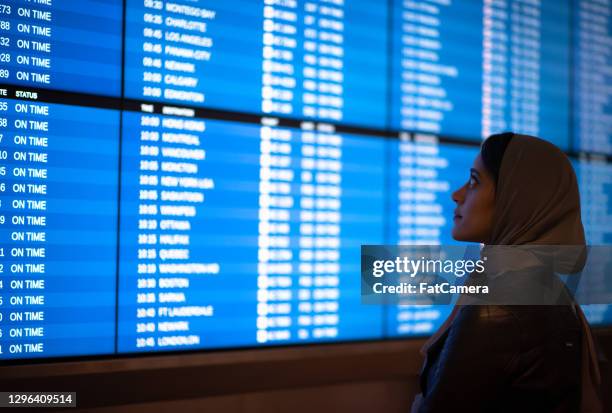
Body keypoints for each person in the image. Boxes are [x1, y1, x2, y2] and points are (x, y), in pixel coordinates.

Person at [410, 133, 603, 412]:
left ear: (517, 199)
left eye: (474, 181)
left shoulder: (497, 305)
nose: (457, 194)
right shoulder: (546, 287)